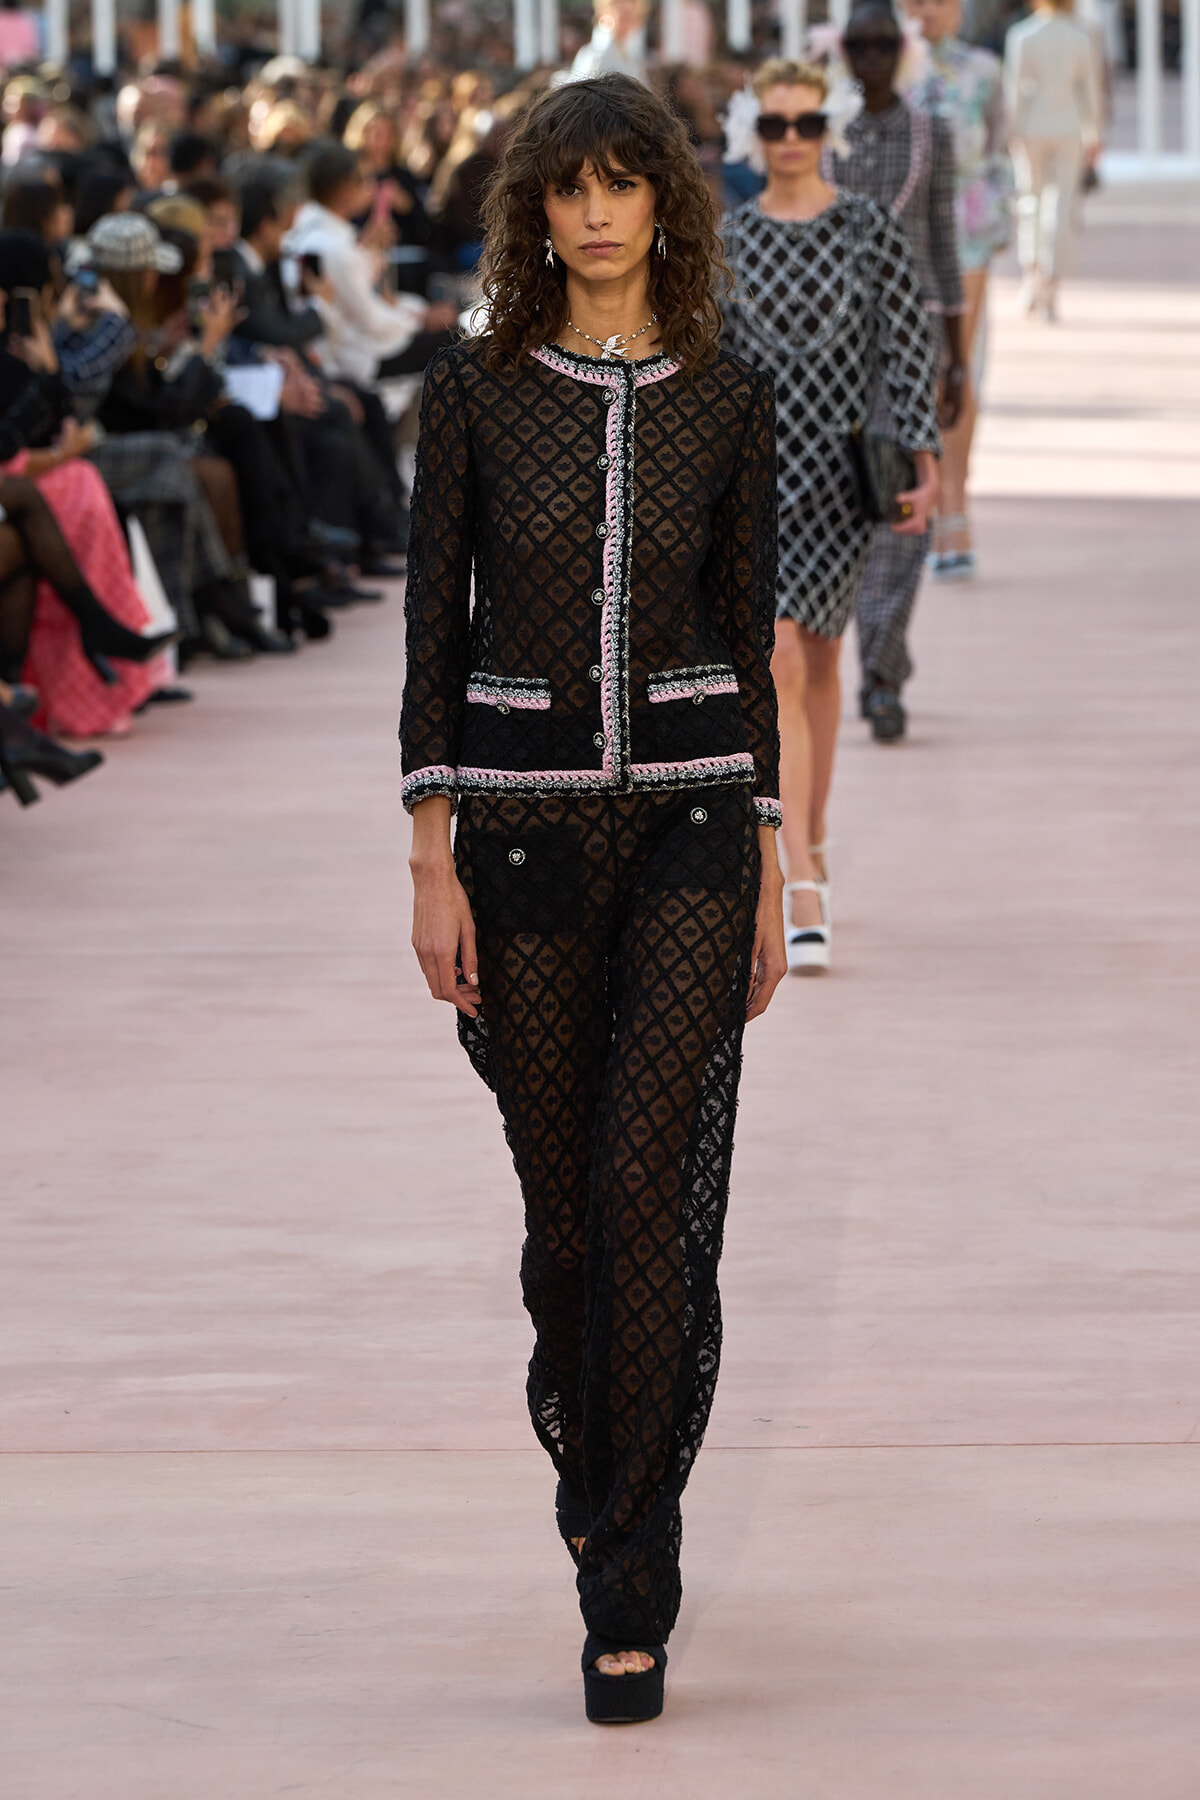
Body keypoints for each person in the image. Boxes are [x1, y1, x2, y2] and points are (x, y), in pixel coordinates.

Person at [401, 73, 785, 1723]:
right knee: (567, 1223)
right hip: (522, 835)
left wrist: (767, 858)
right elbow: (432, 631)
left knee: (645, 1188)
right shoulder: (474, 393)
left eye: (624, 183)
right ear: (536, 211)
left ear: (665, 204)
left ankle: (629, 1574)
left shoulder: (730, 396)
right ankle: (597, 1450)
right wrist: (430, 856)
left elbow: (749, 642)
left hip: (694, 820)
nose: (596, 212)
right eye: (569, 188)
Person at [722, 58, 939, 972]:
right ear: (752, 132)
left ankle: (811, 834)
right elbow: (708, 359)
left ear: (829, 128)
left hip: (840, 480)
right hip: (754, 479)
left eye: (805, 122)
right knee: (775, 657)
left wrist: (923, 455)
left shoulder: (865, 226)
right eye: (774, 124)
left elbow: (907, 344)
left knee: (818, 659)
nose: (790, 139)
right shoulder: (729, 237)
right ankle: (797, 873)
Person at [829, 0, 964, 745]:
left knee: (902, 504)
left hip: (908, 348)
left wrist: (959, 358)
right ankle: (846, 652)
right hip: (825, 349)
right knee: (837, 508)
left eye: (885, 42)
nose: (873, 55)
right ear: (843, 50)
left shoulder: (930, 133)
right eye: (861, 43)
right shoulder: (816, 133)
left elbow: (942, 240)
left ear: (903, 47)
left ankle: (881, 672)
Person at [905, 0, 1011, 577]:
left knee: (957, 364)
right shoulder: (883, 66)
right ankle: (918, 498)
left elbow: (997, 150)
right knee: (909, 369)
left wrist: (997, 222)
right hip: (900, 235)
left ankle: (955, 502)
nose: (927, 10)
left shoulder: (983, 69)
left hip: (966, 231)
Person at [286, 143, 457, 387]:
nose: (373, 187)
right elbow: (372, 321)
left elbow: (369, 294)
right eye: (365, 180)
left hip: (361, 340)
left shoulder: (320, 229)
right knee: (456, 341)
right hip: (358, 355)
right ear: (343, 190)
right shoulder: (330, 245)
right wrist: (422, 319)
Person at [1004, 0, 1101, 322]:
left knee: (1030, 202)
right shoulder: (1080, 37)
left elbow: (1016, 88)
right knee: (1059, 206)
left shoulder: (1023, 35)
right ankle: (1049, 285)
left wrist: (1010, 132)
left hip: (1032, 127)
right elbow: (1089, 91)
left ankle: (1034, 279)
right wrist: (1094, 132)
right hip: (1068, 128)